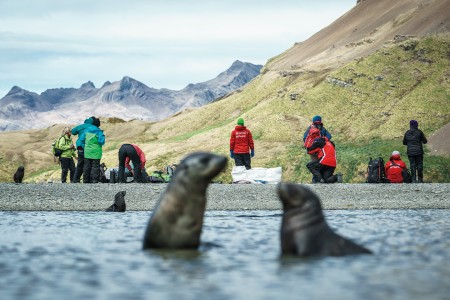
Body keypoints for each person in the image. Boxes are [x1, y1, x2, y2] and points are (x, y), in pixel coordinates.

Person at [303, 115, 332, 183]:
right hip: (320, 149)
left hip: (312, 150)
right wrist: (324, 140)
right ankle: (320, 179)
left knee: (314, 164)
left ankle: (315, 180)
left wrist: (309, 146)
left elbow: (304, 137)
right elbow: (329, 136)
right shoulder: (322, 128)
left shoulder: (310, 128)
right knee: (319, 163)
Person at [79, 117, 105, 183]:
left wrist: (84, 146)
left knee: (87, 166)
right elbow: (102, 141)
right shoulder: (99, 132)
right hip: (96, 152)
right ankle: (94, 180)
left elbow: (81, 140)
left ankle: (85, 180)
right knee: (95, 166)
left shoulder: (86, 130)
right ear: (98, 124)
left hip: (87, 152)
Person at [71, 117, 95, 183]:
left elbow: (73, 131)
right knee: (88, 163)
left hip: (80, 147)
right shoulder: (93, 127)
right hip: (88, 147)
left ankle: (75, 180)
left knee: (80, 164)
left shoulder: (80, 126)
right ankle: (86, 180)